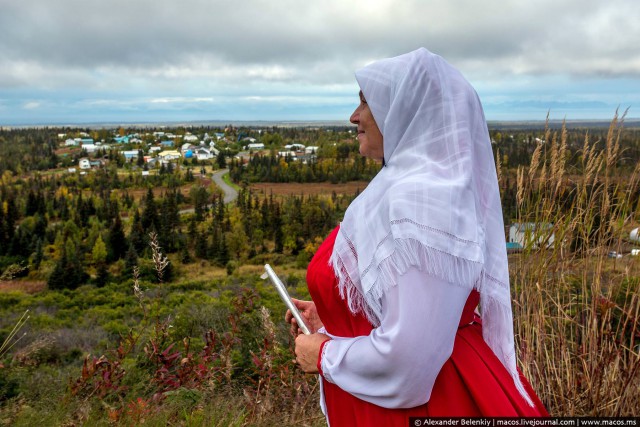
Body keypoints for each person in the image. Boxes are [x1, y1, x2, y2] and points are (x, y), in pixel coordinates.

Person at [286, 48, 548, 425]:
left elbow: (410, 356)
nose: (353, 117)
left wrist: (326, 354)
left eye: (366, 101)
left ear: (406, 110)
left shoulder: (421, 201)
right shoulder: (400, 189)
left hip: (432, 402)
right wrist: (333, 318)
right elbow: (403, 307)